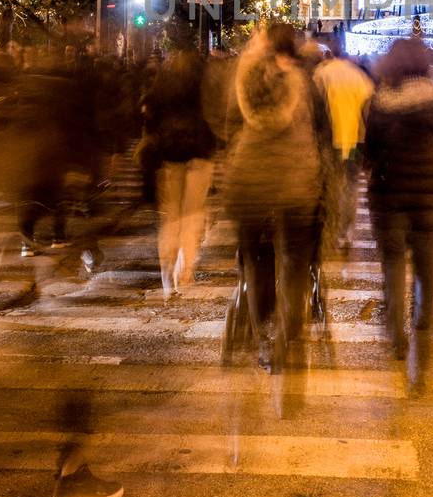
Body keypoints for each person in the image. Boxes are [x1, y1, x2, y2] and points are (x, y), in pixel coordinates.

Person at [222, 24, 332, 371]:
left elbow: (228, 130)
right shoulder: (305, 82)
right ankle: (289, 334)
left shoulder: (245, 80)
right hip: (296, 183)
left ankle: (265, 338)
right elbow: (322, 132)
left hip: (251, 182)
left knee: (255, 263)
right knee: (295, 261)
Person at [362, 38, 433, 394]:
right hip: (427, 190)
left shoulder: (381, 101)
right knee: (425, 266)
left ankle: (396, 335)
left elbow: (370, 150)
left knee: (392, 265)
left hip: (389, 192)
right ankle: (422, 323)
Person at [140, 45, 218, 299]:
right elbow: (215, 115)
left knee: (170, 215)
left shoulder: (162, 85)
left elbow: (147, 115)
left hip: (169, 155)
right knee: (193, 214)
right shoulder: (205, 84)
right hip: (199, 154)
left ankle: (167, 269)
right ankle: (185, 270)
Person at [314, 43, 374, 252]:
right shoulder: (359, 77)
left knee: (330, 185)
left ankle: (330, 231)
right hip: (356, 139)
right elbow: (369, 112)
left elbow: (315, 106)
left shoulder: (321, 73)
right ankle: (346, 231)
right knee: (350, 187)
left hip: (330, 139)